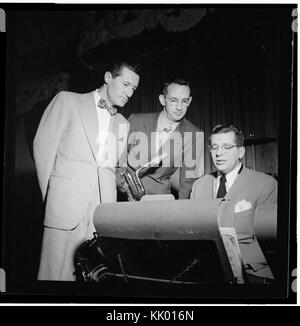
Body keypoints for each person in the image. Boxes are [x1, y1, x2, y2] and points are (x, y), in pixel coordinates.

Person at [33, 61, 141, 281]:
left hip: (99, 216)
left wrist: (128, 183)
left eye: (134, 88)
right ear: (108, 77)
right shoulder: (67, 101)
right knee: (54, 277)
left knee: (92, 280)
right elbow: (43, 150)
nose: (129, 92)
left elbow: (113, 168)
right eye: (126, 84)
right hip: (64, 206)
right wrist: (53, 199)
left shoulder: (123, 123)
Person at [190, 124, 277, 282]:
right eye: (214, 147)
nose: (219, 153)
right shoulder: (199, 185)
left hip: (251, 275)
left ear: (241, 152)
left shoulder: (266, 184)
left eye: (226, 147)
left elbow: (271, 243)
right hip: (205, 271)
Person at [118, 78, 204, 199]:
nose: (179, 107)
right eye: (174, 100)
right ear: (162, 100)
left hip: (158, 201)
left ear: (189, 101)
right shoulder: (136, 120)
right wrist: (122, 187)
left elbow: (187, 184)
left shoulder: (194, 134)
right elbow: (116, 159)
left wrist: (182, 213)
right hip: (123, 196)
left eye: (184, 101)